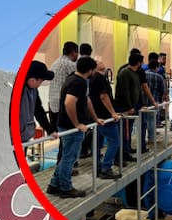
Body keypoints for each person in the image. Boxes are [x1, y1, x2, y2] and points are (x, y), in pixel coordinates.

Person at [48, 55, 96, 199]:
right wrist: (77, 124)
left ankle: (54, 184)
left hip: (65, 124)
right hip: (71, 127)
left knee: (66, 156)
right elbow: (69, 103)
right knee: (70, 157)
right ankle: (65, 187)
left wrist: (94, 118)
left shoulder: (72, 78)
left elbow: (85, 100)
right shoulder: (79, 82)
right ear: (90, 70)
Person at [88, 59, 123, 179]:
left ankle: (98, 167)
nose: (102, 62)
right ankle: (106, 168)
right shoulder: (99, 78)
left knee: (97, 143)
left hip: (98, 115)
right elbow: (103, 96)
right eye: (99, 61)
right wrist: (113, 113)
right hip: (104, 116)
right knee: (114, 142)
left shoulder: (93, 78)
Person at [47, 42, 79, 134]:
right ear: (73, 52)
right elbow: (76, 83)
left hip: (53, 104)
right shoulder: (70, 65)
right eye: (77, 53)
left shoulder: (55, 63)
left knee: (61, 134)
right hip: (64, 104)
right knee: (69, 135)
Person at [20, 60, 55, 144]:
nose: (41, 83)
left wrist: (49, 130)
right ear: (32, 80)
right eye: (41, 81)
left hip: (24, 137)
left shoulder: (34, 90)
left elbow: (38, 110)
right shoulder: (17, 91)